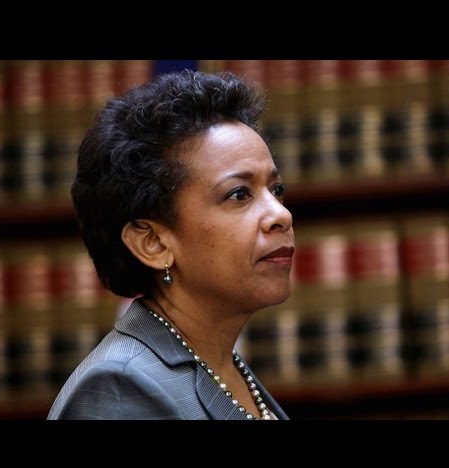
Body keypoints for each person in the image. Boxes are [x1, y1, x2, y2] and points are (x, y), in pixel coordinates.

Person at [47, 69, 294, 420]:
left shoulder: (219, 362)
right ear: (153, 243)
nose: (281, 214)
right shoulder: (121, 389)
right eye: (239, 194)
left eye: (276, 190)